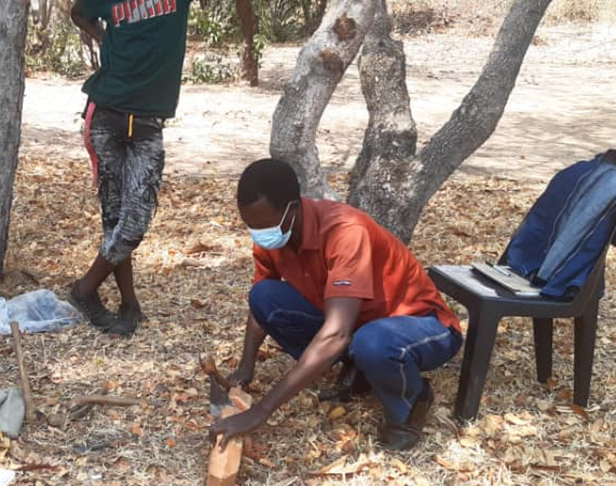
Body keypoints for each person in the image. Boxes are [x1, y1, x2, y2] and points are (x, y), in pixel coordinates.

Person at [210, 159, 464, 451]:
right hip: (358, 325)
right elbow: (260, 305)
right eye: (251, 226)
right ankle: (362, 369)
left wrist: (262, 410)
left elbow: (337, 333)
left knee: (373, 342)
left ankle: (411, 401)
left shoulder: (346, 231)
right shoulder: (274, 237)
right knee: (264, 296)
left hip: (421, 325)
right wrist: (246, 365)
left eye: (263, 225)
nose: (258, 234)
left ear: (293, 209)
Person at [67, 0, 193, 335]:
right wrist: (104, 38)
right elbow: (79, 12)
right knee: (115, 218)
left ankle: (84, 290)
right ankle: (129, 305)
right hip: (105, 114)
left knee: (135, 219)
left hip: (149, 121)